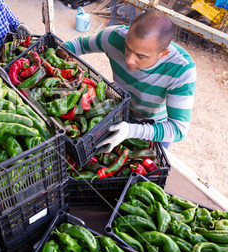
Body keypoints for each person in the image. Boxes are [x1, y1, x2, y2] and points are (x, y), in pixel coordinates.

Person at [64, 10, 196, 151]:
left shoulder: (182, 70)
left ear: (164, 54)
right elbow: (79, 45)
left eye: (141, 56)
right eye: (127, 47)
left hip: (155, 128)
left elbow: (178, 129)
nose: (129, 60)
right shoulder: (113, 37)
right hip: (120, 112)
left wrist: (131, 131)